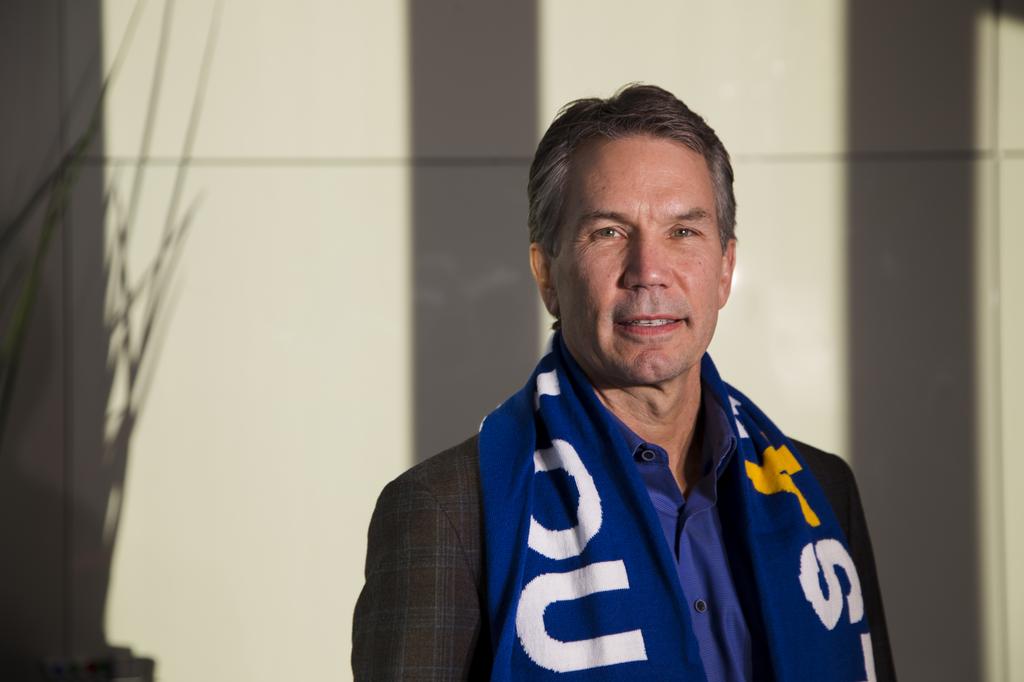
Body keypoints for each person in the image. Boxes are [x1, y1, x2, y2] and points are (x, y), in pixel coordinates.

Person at [352, 84, 895, 681]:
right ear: (547, 274)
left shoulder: (822, 490)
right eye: (608, 232)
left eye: (683, 232)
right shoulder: (447, 512)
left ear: (725, 269)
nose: (649, 272)